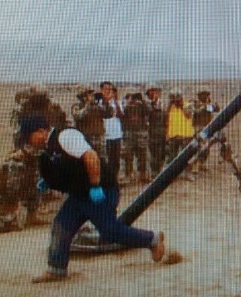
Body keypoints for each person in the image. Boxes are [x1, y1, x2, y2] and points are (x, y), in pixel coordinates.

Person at [19, 115, 165, 283]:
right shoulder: (47, 149)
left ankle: (152, 239)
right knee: (61, 225)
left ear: (41, 131)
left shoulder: (65, 136)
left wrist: (95, 186)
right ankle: (56, 269)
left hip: (101, 190)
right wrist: (49, 180)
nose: (28, 142)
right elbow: (65, 166)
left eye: (29, 136)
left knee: (109, 231)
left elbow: (91, 157)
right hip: (79, 195)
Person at [0, 146, 44, 233]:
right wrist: (13, 207)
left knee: (38, 184)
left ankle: (31, 217)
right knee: (7, 226)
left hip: (14, 192)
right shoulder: (16, 163)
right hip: (1, 197)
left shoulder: (33, 163)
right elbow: (12, 187)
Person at [71, 85, 110, 161]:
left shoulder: (97, 106)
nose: (92, 96)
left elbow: (108, 114)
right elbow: (78, 116)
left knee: (101, 159)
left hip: (99, 137)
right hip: (85, 138)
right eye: (89, 94)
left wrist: (106, 102)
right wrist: (87, 105)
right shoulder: (77, 106)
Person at [165, 88, 195, 181]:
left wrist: (181, 106)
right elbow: (166, 119)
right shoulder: (170, 108)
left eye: (176, 99)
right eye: (173, 99)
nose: (175, 101)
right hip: (173, 136)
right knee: (172, 157)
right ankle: (171, 174)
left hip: (186, 135)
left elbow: (188, 115)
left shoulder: (188, 105)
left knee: (187, 156)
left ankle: (188, 173)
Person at [121, 91, 150, 183]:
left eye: (134, 97)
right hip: (129, 133)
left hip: (140, 133)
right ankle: (128, 175)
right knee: (128, 156)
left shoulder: (141, 106)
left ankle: (142, 175)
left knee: (142, 155)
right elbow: (122, 114)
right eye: (131, 97)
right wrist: (128, 102)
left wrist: (142, 101)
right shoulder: (125, 106)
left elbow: (148, 111)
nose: (133, 99)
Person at [191, 88, 220, 173]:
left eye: (207, 95)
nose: (206, 96)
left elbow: (216, 109)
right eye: (204, 94)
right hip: (198, 128)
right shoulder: (196, 104)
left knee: (207, 147)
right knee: (198, 147)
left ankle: (202, 163)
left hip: (208, 127)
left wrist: (212, 105)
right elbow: (196, 112)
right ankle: (195, 165)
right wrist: (204, 107)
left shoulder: (208, 105)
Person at [101, 82, 124, 181]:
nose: (109, 91)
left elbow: (121, 115)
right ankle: (109, 177)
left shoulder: (116, 102)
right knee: (109, 158)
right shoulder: (100, 102)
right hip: (106, 134)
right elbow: (103, 113)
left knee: (116, 158)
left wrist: (116, 101)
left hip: (117, 133)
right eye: (106, 89)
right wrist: (106, 101)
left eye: (110, 89)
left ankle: (115, 177)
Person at [146, 83, 167, 179]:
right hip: (152, 132)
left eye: (157, 91)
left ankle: (160, 170)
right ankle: (154, 172)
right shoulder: (146, 104)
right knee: (153, 153)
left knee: (162, 152)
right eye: (153, 91)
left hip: (162, 132)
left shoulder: (163, 103)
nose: (155, 93)